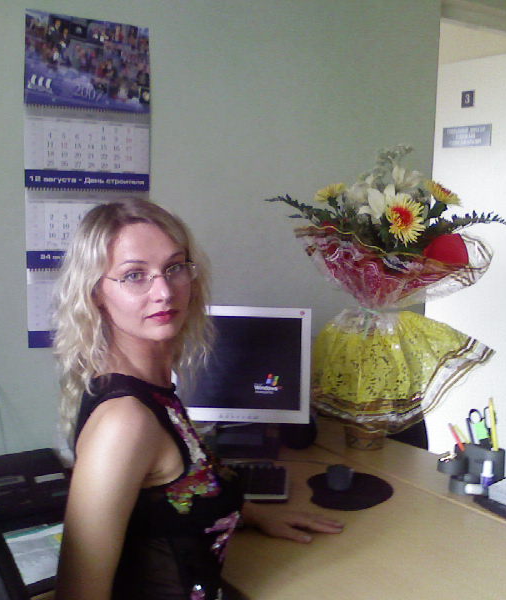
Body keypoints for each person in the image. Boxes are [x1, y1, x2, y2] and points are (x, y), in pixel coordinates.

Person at [52, 199, 343, 600]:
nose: (164, 291)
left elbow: (181, 492)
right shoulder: (125, 420)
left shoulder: (153, 392)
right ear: (97, 292)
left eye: (174, 268)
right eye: (134, 275)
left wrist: (254, 515)